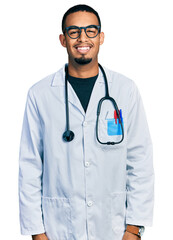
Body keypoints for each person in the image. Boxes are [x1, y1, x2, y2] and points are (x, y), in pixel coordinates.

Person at [18, 4, 154, 240]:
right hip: (58, 229)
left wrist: (134, 229)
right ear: (63, 39)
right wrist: (37, 233)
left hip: (113, 228)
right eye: (74, 31)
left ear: (101, 37)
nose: (83, 38)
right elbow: (30, 166)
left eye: (91, 31)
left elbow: (139, 160)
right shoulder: (40, 94)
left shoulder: (125, 90)